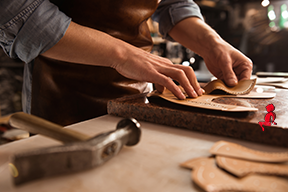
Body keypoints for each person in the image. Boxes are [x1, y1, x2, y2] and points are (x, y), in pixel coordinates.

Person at [0, 0, 252, 125]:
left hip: (141, 98)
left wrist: (213, 43)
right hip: (64, 98)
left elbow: (173, 4)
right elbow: (17, 10)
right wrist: (123, 55)